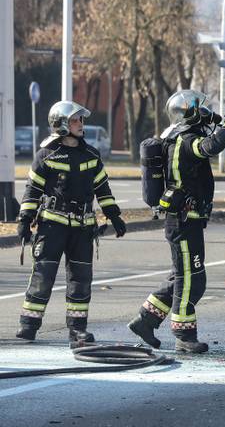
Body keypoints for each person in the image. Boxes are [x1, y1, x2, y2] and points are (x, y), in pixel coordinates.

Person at [127, 90, 225, 353]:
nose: (207, 114)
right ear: (191, 114)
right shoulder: (187, 140)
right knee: (193, 280)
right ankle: (184, 336)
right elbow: (211, 146)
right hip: (184, 222)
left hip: (184, 221)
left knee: (180, 276)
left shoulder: (175, 137)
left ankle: (146, 320)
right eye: (203, 109)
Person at [16, 101, 127, 346]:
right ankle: (29, 325)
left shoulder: (91, 154)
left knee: (80, 279)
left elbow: (102, 188)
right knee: (43, 276)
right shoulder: (46, 155)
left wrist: (114, 215)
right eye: (76, 120)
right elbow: (32, 190)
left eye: (81, 120)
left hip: (83, 228)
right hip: (52, 227)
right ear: (62, 124)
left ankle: (77, 329)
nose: (81, 124)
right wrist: (24, 220)